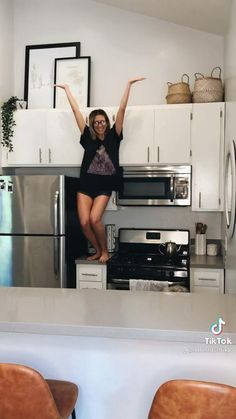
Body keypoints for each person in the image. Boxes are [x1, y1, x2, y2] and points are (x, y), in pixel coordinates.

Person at [55, 77, 145, 262]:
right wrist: (67, 90)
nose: (100, 124)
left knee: (95, 219)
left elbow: (121, 110)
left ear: (107, 122)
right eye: (96, 122)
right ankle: (96, 250)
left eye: (102, 121)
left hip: (104, 187)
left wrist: (127, 85)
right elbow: (75, 112)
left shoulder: (114, 136)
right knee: (84, 222)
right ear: (92, 124)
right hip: (86, 185)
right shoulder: (87, 137)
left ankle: (105, 251)